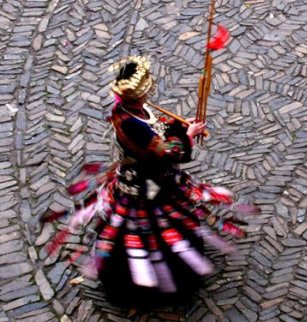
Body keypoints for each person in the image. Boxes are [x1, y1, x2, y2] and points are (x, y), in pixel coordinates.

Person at [43, 55, 258, 305]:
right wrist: (187, 136)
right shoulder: (132, 125)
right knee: (152, 230)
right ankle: (155, 284)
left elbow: (156, 127)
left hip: (147, 178)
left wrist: (179, 126)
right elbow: (167, 152)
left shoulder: (128, 109)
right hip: (147, 186)